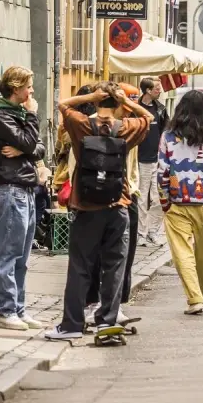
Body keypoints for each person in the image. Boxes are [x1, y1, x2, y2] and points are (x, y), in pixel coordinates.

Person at [45, 83, 151, 340]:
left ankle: (71, 325)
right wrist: (127, 103)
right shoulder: (125, 128)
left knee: (80, 265)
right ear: (118, 105)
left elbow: (63, 105)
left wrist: (90, 96)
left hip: (86, 206)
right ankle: (107, 321)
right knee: (114, 266)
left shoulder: (82, 126)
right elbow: (148, 118)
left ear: (96, 101)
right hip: (118, 205)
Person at [0, 66, 45, 331]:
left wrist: (22, 150)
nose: (32, 91)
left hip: (26, 188)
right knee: (7, 252)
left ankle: (19, 308)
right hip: (10, 189)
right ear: (16, 87)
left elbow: (37, 146)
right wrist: (31, 117)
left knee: (22, 255)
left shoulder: (17, 115)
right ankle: (5, 310)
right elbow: (32, 144)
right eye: (29, 86)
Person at [157, 89, 203, 314]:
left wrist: (165, 201)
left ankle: (197, 296)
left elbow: (162, 172)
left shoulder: (168, 138)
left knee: (183, 253)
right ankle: (197, 296)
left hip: (178, 202)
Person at [134, 77, 168, 247]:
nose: (159, 90)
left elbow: (165, 132)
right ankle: (141, 233)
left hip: (159, 159)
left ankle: (153, 231)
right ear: (147, 90)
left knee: (160, 197)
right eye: (156, 88)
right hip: (141, 159)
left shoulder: (161, 109)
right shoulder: (136, 110)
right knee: (141, 198)